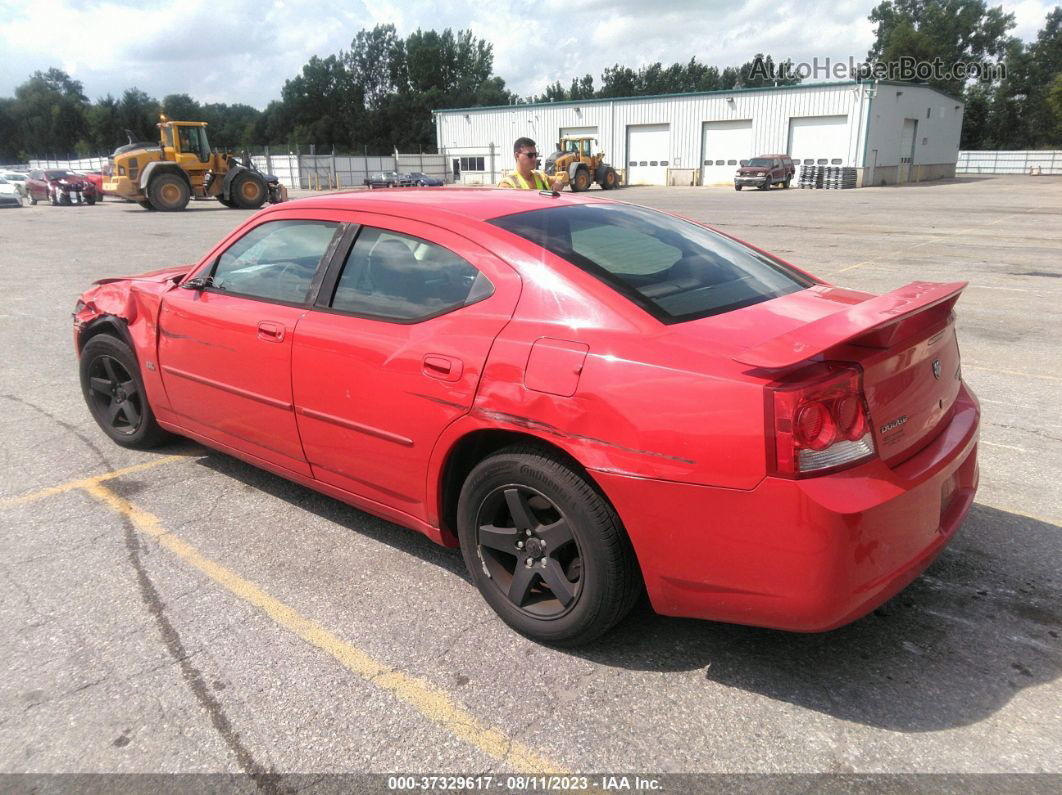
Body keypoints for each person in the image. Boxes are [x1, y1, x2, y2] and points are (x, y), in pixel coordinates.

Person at [499, 137, 568, 190]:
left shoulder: (541, 177)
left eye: (535, 155)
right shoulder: (507, 184)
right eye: (530, 155)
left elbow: (557, 179)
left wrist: (558, 183)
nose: (534, 159)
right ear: (517, 156)